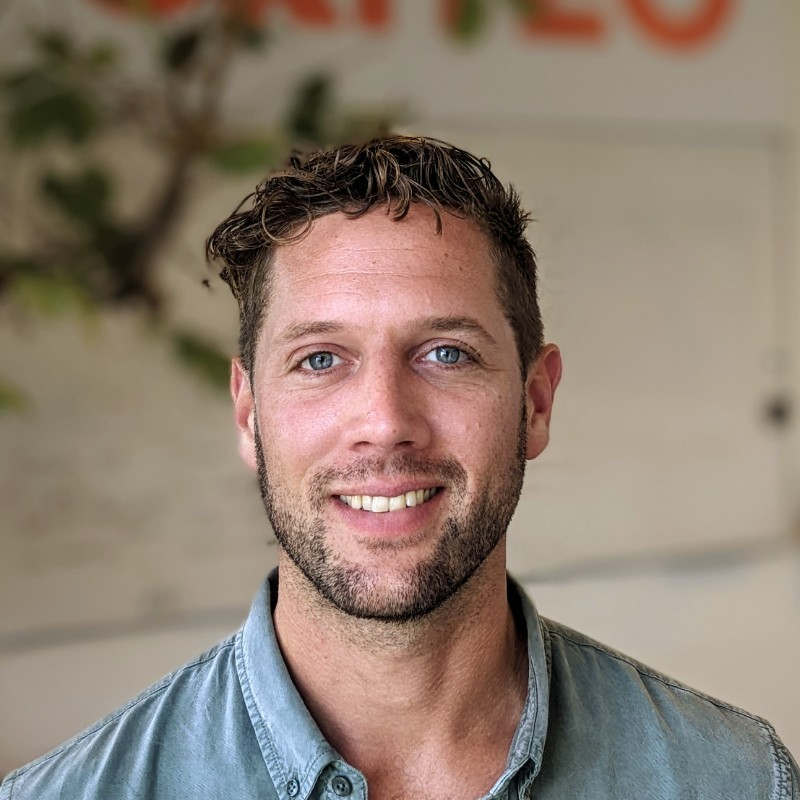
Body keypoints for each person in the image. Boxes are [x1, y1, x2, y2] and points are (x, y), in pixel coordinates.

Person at [2, 135, 797, 800]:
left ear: (535, 403)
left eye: (446, 353)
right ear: (248, 412)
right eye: (320, 359)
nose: (384, 422)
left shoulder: (732, 780)